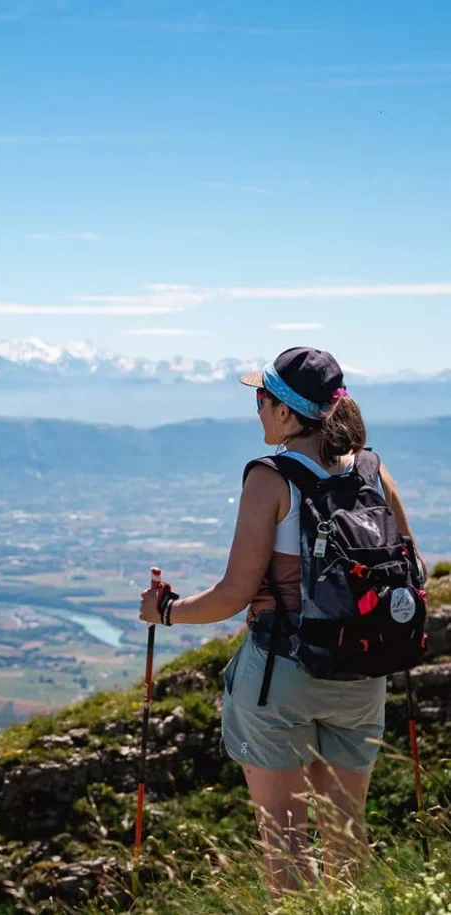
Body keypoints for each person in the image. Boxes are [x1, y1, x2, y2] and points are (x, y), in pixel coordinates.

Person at [138, 346, 426, 895]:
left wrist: (167, 611)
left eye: (262, 398)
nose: (257, 409)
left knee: (286, 843)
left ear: (288, 412)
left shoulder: (272, 479)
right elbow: (410, 569)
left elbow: (231, 595)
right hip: (364, 673)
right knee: (346, 835)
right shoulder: (372, 470)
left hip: (283, 674)